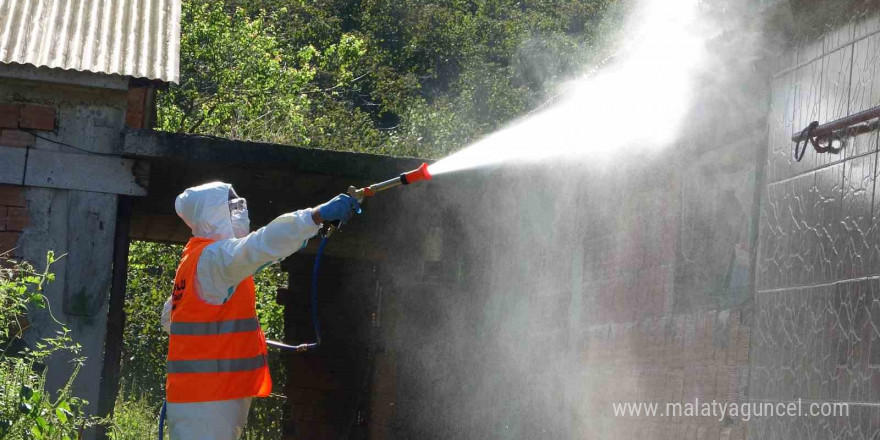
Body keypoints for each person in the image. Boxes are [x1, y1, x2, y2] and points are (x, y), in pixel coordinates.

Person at [159, 181, 359, 440]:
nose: (241, 211)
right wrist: (314, 216)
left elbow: (172, 320)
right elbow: (259, 245)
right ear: (213, 214)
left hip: (201, 401)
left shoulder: (197, 260)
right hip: (208, 402)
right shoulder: (213, 259)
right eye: (233, 206)